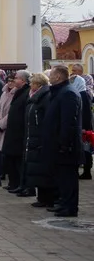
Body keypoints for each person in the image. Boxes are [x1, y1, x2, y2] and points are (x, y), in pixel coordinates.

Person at [43, 65, 82, 217]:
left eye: (51, 74)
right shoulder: (60, 92)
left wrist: (64, 144)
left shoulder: (68, 94)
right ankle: (64, 202)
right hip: (58, 145)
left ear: (58, 77)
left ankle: (70, 206)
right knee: (61, 177)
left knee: (68, 178)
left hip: (66, 146)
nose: (49, 77)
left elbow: (68, 122)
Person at [25, 73, 53, 205]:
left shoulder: (45, 97)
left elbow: (44, 118)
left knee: (41, 169)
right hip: (34, 136)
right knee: (37, 168)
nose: (30, 85)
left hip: (40, 137)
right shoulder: (36, 97)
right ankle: (41, 197)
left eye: (32, 83)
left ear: (38, 84)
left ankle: (45, 198)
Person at [1, 70, 31, 195]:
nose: (14, 80)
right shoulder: (18, 92)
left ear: (23, 80)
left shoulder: (26, 93)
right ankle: (14, 183)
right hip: (13, 131)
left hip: (19, 132)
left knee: (19, 160)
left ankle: (21, 184)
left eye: (17, 78)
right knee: (12, 159)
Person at [70, 74, 94, 180]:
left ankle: (87, 171)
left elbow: (86, 113)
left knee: (86, 149)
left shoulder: (83, 94)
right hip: (82, 126)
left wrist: (85, 127)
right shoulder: (79, 93)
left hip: (84, 127)